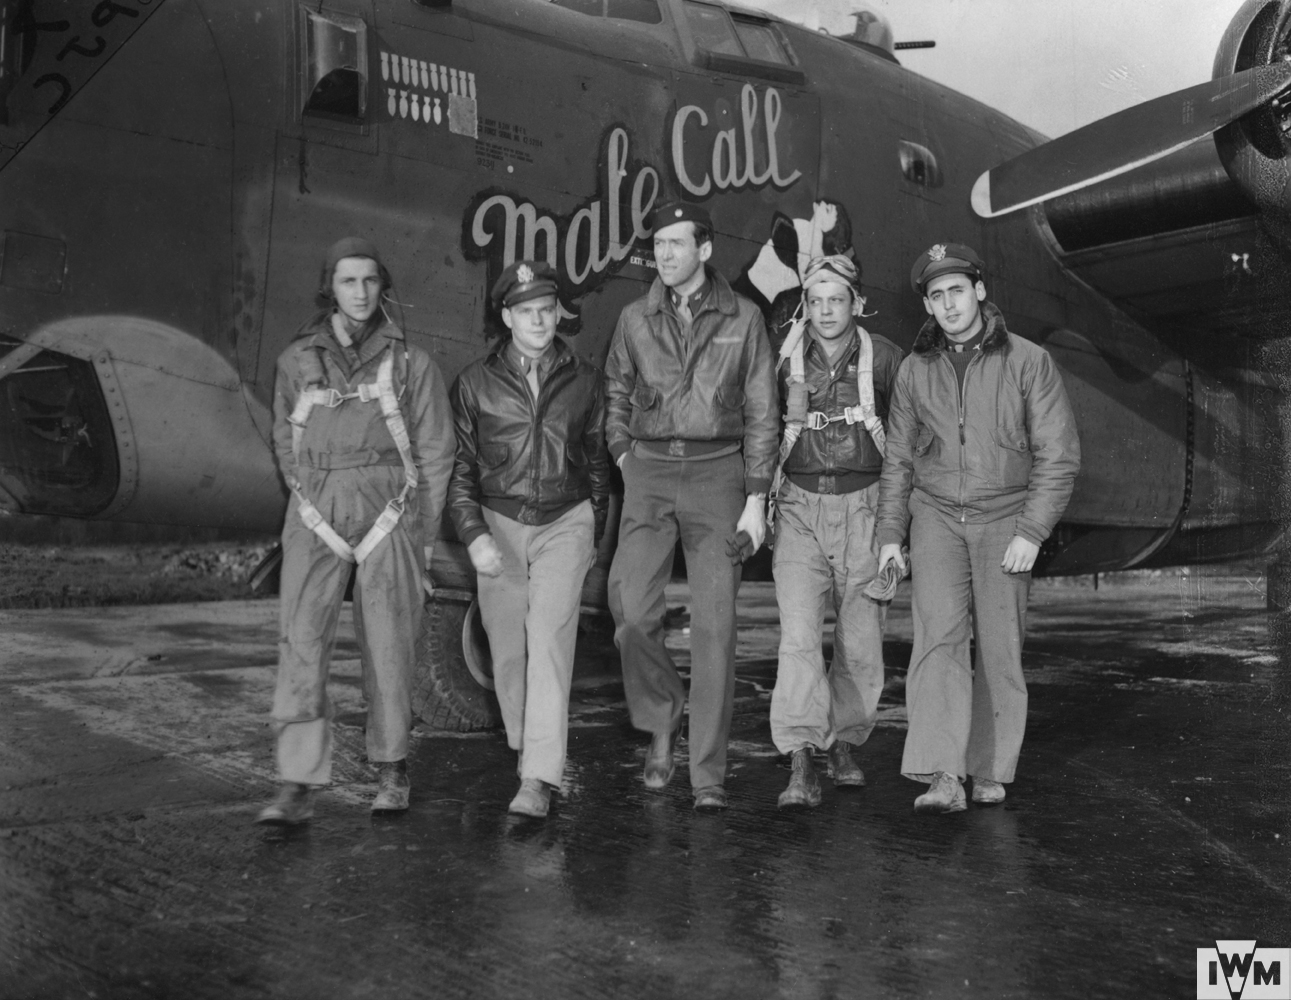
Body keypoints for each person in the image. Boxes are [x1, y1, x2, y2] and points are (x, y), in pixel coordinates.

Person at [875, 242, 1080, 814]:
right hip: (936, 515)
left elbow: (1057, 455)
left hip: (1005, 518)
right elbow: (897, 460)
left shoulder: (1029, 361)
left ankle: (989, 769)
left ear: (980, 291)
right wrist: (891, 534)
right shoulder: (916, 371)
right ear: (929, 305)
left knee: (999, 647)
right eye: (936, 296)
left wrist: (1032, 530)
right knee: (936, 640)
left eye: (957, 291)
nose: (948, 304)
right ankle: (944, 774)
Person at [258, 237, 455, 825]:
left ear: (383, 287)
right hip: (314, 514)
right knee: (301, 643)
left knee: (390, 647)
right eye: (348, 281)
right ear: (331, 289)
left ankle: (392, 770)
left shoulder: (413, 365)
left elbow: (436, 453)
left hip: (388, 514)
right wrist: (312, 499)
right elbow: (283, 441)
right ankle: (295, 782)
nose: (361, 293)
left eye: (370, 281)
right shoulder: (296, 362)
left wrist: (418, 534)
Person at [604, 200, 778, 811]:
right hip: (649, 470)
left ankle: (707, 774)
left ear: (705, 249)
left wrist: (757, 498)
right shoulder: (633, 318)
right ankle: (661, 717)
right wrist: (625, 456)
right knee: (629, 611)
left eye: (677, 244)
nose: (664, 255)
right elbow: (617, 392)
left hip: (718, 475)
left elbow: (763, 411)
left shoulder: (745, 318)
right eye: (657, 245)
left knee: (716, 629)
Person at [448, 261, 610, 819]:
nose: (541, 320)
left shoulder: (585, 378)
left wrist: (593, 533)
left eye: (548, 309)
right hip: (499, 524)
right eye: (527, 311)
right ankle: (526, 744)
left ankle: (539, 777)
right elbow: (462, 472)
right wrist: (472, 534)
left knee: (547, 638)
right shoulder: (474, 383)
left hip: (566, 522)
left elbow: (596, 464)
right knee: (508, 649)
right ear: (507, 316)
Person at [767, 255, 903, 808]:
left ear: (856, 303)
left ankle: (844, 743)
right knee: (798, 638)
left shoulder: (887, 360)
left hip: (866, 510)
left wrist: (898, 523)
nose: (826, 311)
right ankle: (800, 758)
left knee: (861, 645)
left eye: (837, 300)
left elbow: (911, 438)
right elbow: (759, 428)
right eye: (816, 300)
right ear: (806, 304)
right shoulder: (781, 362)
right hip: (799, 507)